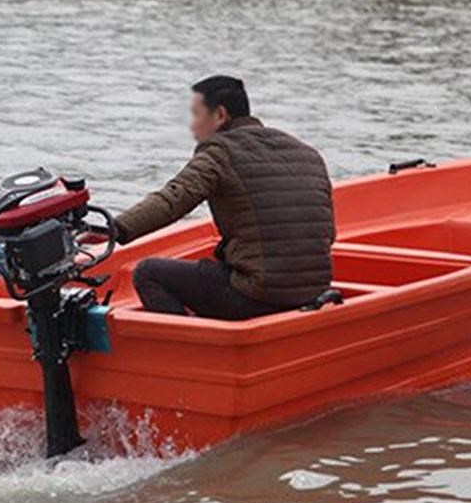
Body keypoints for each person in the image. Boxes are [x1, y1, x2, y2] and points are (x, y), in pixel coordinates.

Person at [111, 75, 335, 320]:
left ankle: (191, 348)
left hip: (257, 295)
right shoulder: (307, 153)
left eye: (196, 115)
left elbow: (171, 201)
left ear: (219, 115)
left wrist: (114, 229)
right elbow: (328, 234)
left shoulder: (219, 153)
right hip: (313, 290)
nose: (192, 126)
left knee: (148, 272)